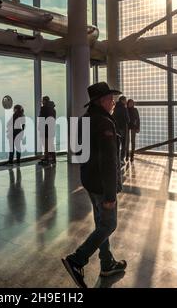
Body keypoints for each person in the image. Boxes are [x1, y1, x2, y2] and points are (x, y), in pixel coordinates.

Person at [62, 82, 126, 288]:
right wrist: (110, 194)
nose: (113, 102)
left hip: (89, 181)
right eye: (110, 98)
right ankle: (77, 260)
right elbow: (108, 161)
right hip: (101, 184)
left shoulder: (84, 120)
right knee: (109, 224)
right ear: (101, 101)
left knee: (101, 224)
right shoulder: (104, 123)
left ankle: (107, 263)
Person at [38, 96, 57, 165]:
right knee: (50, 144)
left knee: (45, 144)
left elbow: (42, 119)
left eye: (43, 101)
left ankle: (47, 159)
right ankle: (52, 158)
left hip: (45, 129)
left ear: (45, 101)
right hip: (51, 129)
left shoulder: (44, 109)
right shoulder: (53, 109)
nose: (42, 102)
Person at [113, 95, 130, 165]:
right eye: (125, 100)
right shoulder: (124, 108)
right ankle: (122, 159)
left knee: (117, 145)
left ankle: (116, 159)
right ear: (122, 100)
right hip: (123, 128)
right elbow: (127, 119)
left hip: (116, 129)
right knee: (124, 144)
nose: (126, 101)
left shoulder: (115, 108)